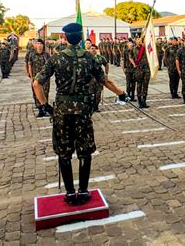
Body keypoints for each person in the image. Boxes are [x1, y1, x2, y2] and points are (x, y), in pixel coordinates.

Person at [33, 23, 128, 205]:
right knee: (85, 151)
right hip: (83, 111)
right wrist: (121, 94)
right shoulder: (89, 58)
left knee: (64, 152)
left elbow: (37, 83)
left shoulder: (56, 58)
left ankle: (69, 193)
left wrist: (44, 106)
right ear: (80, 37)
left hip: (62, 110)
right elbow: (105, 81)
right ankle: (83, 191)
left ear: (66, 38)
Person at [28, 39, 51, 117]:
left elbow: (50, 66)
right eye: (38, 43)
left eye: (41, 44)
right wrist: (31, 77)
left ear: (43, 45)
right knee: (36, 93)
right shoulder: (32, 54)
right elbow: (30, 65)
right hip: (35, 77)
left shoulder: (46, 55)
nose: (39, 45)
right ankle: (40, 110)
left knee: (45, 92)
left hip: (45, 78)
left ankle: (45, 109)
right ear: (35, 45)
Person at [129, 36, 150, 108]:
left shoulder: (146, 47)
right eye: (137, 39)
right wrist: (134, 64)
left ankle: (144, 101)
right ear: (135, 40)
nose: (139, 40)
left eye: (140, 39)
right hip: (138, 69)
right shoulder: (133, 49)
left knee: (145, 86)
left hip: (146, 69)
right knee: (139, 85)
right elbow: (130, 57)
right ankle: (139, 101)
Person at [89, 44, 109, 112]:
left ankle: (96, 107)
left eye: (94, 48)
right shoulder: (87, 58)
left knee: (98, 94)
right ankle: (91, 107)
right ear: (89, 49)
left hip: (99, 78)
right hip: (90, 79)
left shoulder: (100, 57)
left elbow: (106, 64)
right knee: (90, 94)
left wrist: (106, 74)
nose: (93, 49)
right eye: (92, 48)